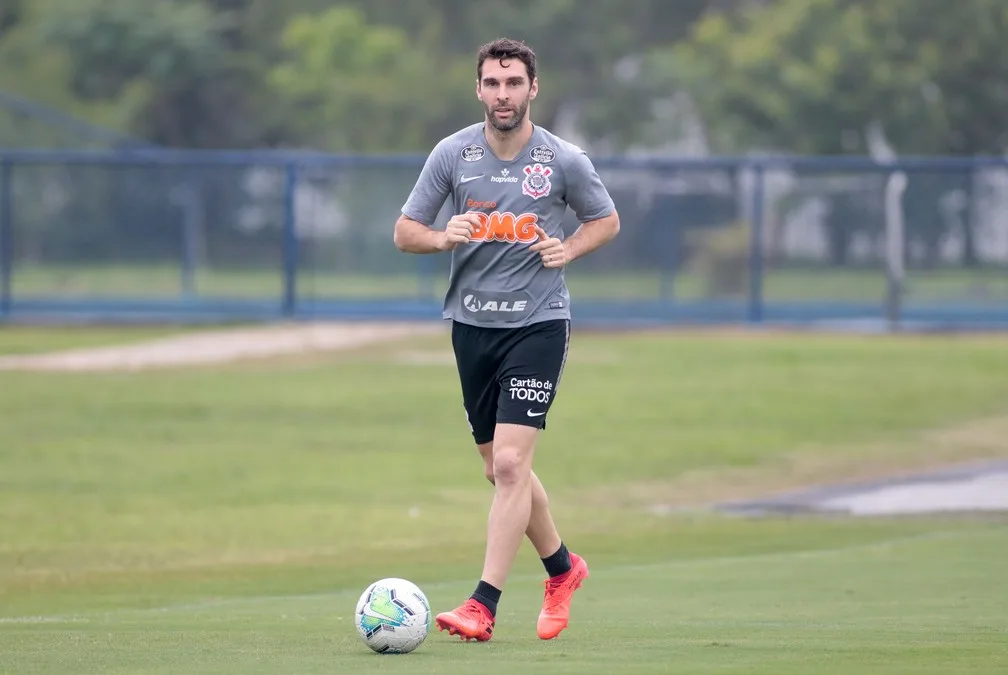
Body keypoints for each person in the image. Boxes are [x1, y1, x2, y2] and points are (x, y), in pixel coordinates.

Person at [392, 37, 620, 642]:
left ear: (532, 89)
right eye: (492, 84)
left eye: (513, 83)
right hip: (472, 329)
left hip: (539, 324)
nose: (502, 94)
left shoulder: (563, 159)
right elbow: (405, 231)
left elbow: (606, 219)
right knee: (500, 472)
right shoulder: (453, 153)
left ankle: (483, 604)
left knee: (516, 462)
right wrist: (444, 237)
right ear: (479, 89)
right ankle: (563, 568)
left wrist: (566, 248)